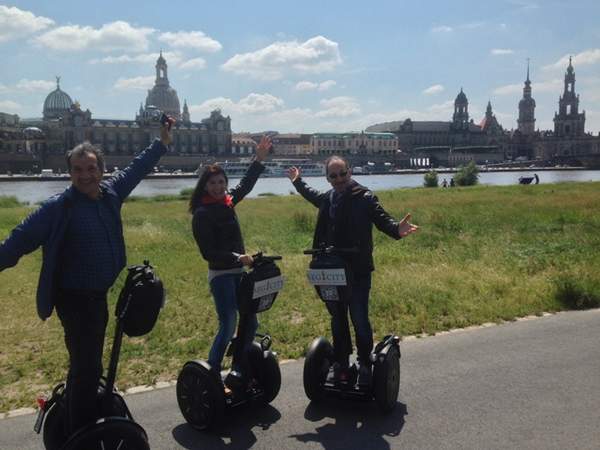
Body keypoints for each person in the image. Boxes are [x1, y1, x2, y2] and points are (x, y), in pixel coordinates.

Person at [0, 120, 174, 434]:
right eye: (78, 170)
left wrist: (161, 142)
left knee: (88, 366)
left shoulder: (110, 193)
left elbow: (137, 168)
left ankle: (80, 420)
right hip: (74, 299)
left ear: (102, 170)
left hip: (98, 295)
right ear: (70, 173)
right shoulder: (58, 207)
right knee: (86, 368)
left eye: (91, 168)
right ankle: (82, 433)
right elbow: (18, 240)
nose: (85, 175)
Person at [287, 157, 418, 386]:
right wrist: (297, 181)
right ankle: (341, 363)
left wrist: (397, 228)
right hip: (332, 270)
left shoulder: (364, 197)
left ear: (350, 172)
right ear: (327, 178)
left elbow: (381, 218)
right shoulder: (328, 199)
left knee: (358, 317)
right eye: (333, 176)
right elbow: (310, 193)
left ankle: (365, 363)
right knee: (337, 318)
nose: (339, 179)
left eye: (342, 174)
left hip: (357, 270)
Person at [189, 135, 272, 385]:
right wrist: (239, 258)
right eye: (213, 183)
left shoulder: (227, 202)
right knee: (228, 324)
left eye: (221, 182)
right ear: (205, 186)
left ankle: (240, 364)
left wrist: (258, 159)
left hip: (238, 273)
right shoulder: (202, 214)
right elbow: (209, 253)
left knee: (251, 320)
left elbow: (246, 183)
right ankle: (212, 370)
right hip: (222, 275)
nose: (218, 186)